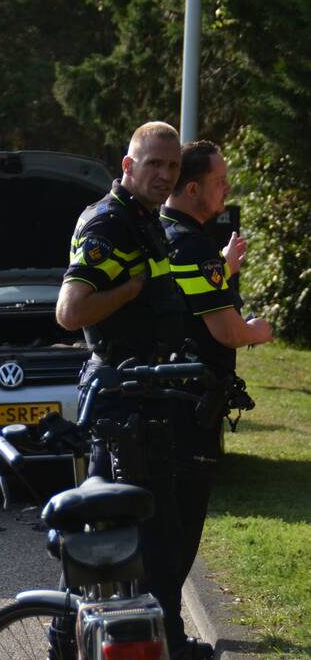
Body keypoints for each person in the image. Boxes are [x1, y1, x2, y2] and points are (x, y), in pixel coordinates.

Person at [54, 121, 211, 659]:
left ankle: (78, 641)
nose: (164, 175)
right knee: (143, 539)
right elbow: (70, 312)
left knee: (113, 540)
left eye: (172, 166)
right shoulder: (110, 225)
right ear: (128, 166)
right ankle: (162, 643)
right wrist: (131, 288)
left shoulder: (144, 220)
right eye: (154, 165)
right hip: (121, 405)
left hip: (143, 398)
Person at [160, 140, 274, 626]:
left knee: (160, 528)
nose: (228, 188)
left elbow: (182, 295)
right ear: (192, 187)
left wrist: (222, 267)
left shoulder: (163, 234)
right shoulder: (190, 242)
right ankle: (168, 632)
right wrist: (257, 331)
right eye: (220, 181)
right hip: (189, 408)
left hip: (165, 401)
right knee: (178, 533)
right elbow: (225, 330)